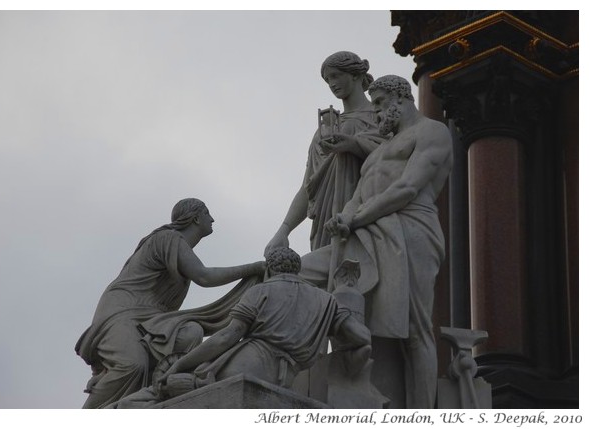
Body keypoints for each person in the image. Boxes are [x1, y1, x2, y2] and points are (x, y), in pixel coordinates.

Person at [299, 75, 453, 408]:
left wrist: (355, 216)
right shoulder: (378, 150)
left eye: (381, 103)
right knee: (298, 273)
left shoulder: (432, 132)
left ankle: (423, 413)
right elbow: (358, 195)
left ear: (401, 98)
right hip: (363, 231)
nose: (378, 113)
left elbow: (407, 189)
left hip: (411, 230)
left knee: (416, 330)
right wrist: (344, 216)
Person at [75, 198, 266, 408]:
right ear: (195, 218)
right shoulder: (168, 238)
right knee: (132, 365)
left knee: (190, 332)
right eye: (207, 213)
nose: (212, 219)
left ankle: (163, 397)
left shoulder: (179, 249)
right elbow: (204, 277)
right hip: (123, 311)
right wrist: (254, 268)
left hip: (151, 319)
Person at [155, 247, 372, 396]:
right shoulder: (327, 301)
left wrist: (179, 364)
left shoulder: (260, 291)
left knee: (167, 391)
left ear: (268, 270)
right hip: (286, 379)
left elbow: (225, 337)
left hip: (243, 368)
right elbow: (362, 338)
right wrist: (353, 364)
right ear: (297, 270)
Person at [265, 51, 381, 253]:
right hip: (325, 223)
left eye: (336, 76)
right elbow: (308, 188)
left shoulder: (380, 116)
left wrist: (353, 145)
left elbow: (395, 158)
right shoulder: (324, 130)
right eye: (327, 80)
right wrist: (284, 230)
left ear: (355, 74)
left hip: (365, 215)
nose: (332, 84)